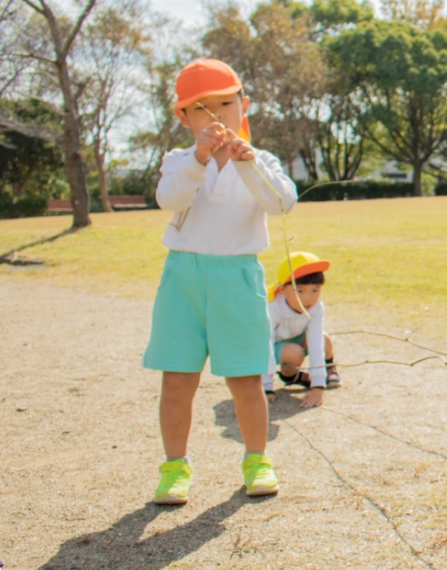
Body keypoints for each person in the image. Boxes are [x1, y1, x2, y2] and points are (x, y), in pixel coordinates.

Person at [143, 58, 297, 505]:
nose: (216, 116)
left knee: (246, 379)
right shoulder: (178, 161)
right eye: (201, 108)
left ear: (243, 105)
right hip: (184, 277)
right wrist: (199, 158)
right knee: (177, 379)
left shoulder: (262, 159)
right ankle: (175, 468)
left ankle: (256, 459)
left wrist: (249, 163)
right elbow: (168, 198)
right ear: (184, 118)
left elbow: (281, 203)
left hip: (237, 276)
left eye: (225, 104)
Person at [262, 252, 340, 408]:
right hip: (275, 344)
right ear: (282, 289)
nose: (308, 298)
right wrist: (266, 387)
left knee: (324, 341)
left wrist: (318, 386)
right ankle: (293, 376)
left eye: (315, 290)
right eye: (300, 291)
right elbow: (265, 344)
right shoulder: (271, 307)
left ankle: (328, 368)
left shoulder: (316, 308)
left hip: (296, 337)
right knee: (295, 353)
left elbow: (315, 341)